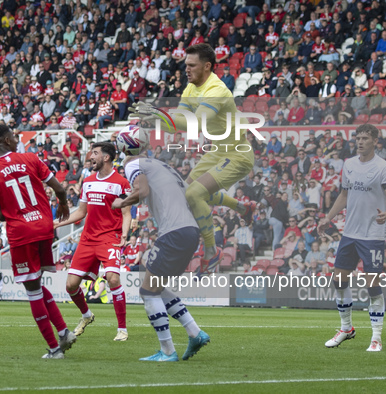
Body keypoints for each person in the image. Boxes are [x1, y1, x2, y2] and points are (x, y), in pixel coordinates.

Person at [132, 43, 252, 276]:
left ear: (207, 66)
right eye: (185, 65)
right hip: (219, 150)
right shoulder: (191, 87)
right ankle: (241, 207)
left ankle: (211, 251)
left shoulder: (217, 90)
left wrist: (158, 114)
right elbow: (179, 120)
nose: (185, 69)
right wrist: (156, 118)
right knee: (187, 192)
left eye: (191, 65)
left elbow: (196, 123)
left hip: (238, 153)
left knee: (194, 194)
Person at [111, 131, 209, 362]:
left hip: (174, 232)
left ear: (122, 149)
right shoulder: (162, 165)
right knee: (156, 286)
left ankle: (167, 351)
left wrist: (121, 202)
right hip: (189, 230)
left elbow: (142, 191)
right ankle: (195, 333)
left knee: (147, 291)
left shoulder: (133, 163)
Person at [0, 125, 75, 359]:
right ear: (5, 140)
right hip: (44, 227)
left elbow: (0, 216)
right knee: (37, 284)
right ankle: (63, 332)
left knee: (32, 290)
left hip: (22, 233)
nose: (16, 139)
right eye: (13, 136)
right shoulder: (31, 159)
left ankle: (55, 349)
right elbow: (60, 189)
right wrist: (62, 204)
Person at [318, 124, 386, 352]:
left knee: (372, 284)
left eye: (365, 138)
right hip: (350, 233)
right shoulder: (349, 164)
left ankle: (376, 337)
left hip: (372, 235)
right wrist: (328, 218)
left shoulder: (384, 168)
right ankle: (346, 329)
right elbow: (344, 195)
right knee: (338, 279)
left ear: (375, 140)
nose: (360, 141)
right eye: (358, 138)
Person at [54, 142, 132, 342]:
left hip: (110, 238)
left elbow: (126, 213)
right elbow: (81, 212)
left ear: (106, 157)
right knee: (71, 285)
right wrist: (58, 222)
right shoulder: (88, 181)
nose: (91, 157)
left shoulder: (121, 182)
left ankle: (122, 329)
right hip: (88, 239)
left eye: (95, 153)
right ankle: (87, 316)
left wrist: (124, 235)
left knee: (113, 279)